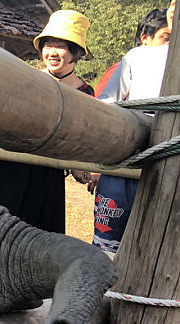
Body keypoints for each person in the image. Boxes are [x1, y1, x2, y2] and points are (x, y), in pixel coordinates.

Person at [0, 10, 94, 234]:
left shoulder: (85, 93)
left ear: (76, 52)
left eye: (61, 46)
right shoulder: (27, 78)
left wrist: (79, 166)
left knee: (38, 242)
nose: (52, 52)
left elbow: (79, 137)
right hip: (11, 164)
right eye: (48, 45)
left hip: (48, 175)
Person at [90, 2, 174, 254]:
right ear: (145, 38)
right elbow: (106, 104)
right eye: (166, 36)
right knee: (110, 242)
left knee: (156, 244)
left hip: (168, 156)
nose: (170, 43)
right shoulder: (136, 57)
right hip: (127, 152)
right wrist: (96, 157)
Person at [95, 9, 170, 96]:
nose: (169, 45)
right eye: (166, 38)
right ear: (145, 38)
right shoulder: (127, 63)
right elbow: (103, 103)